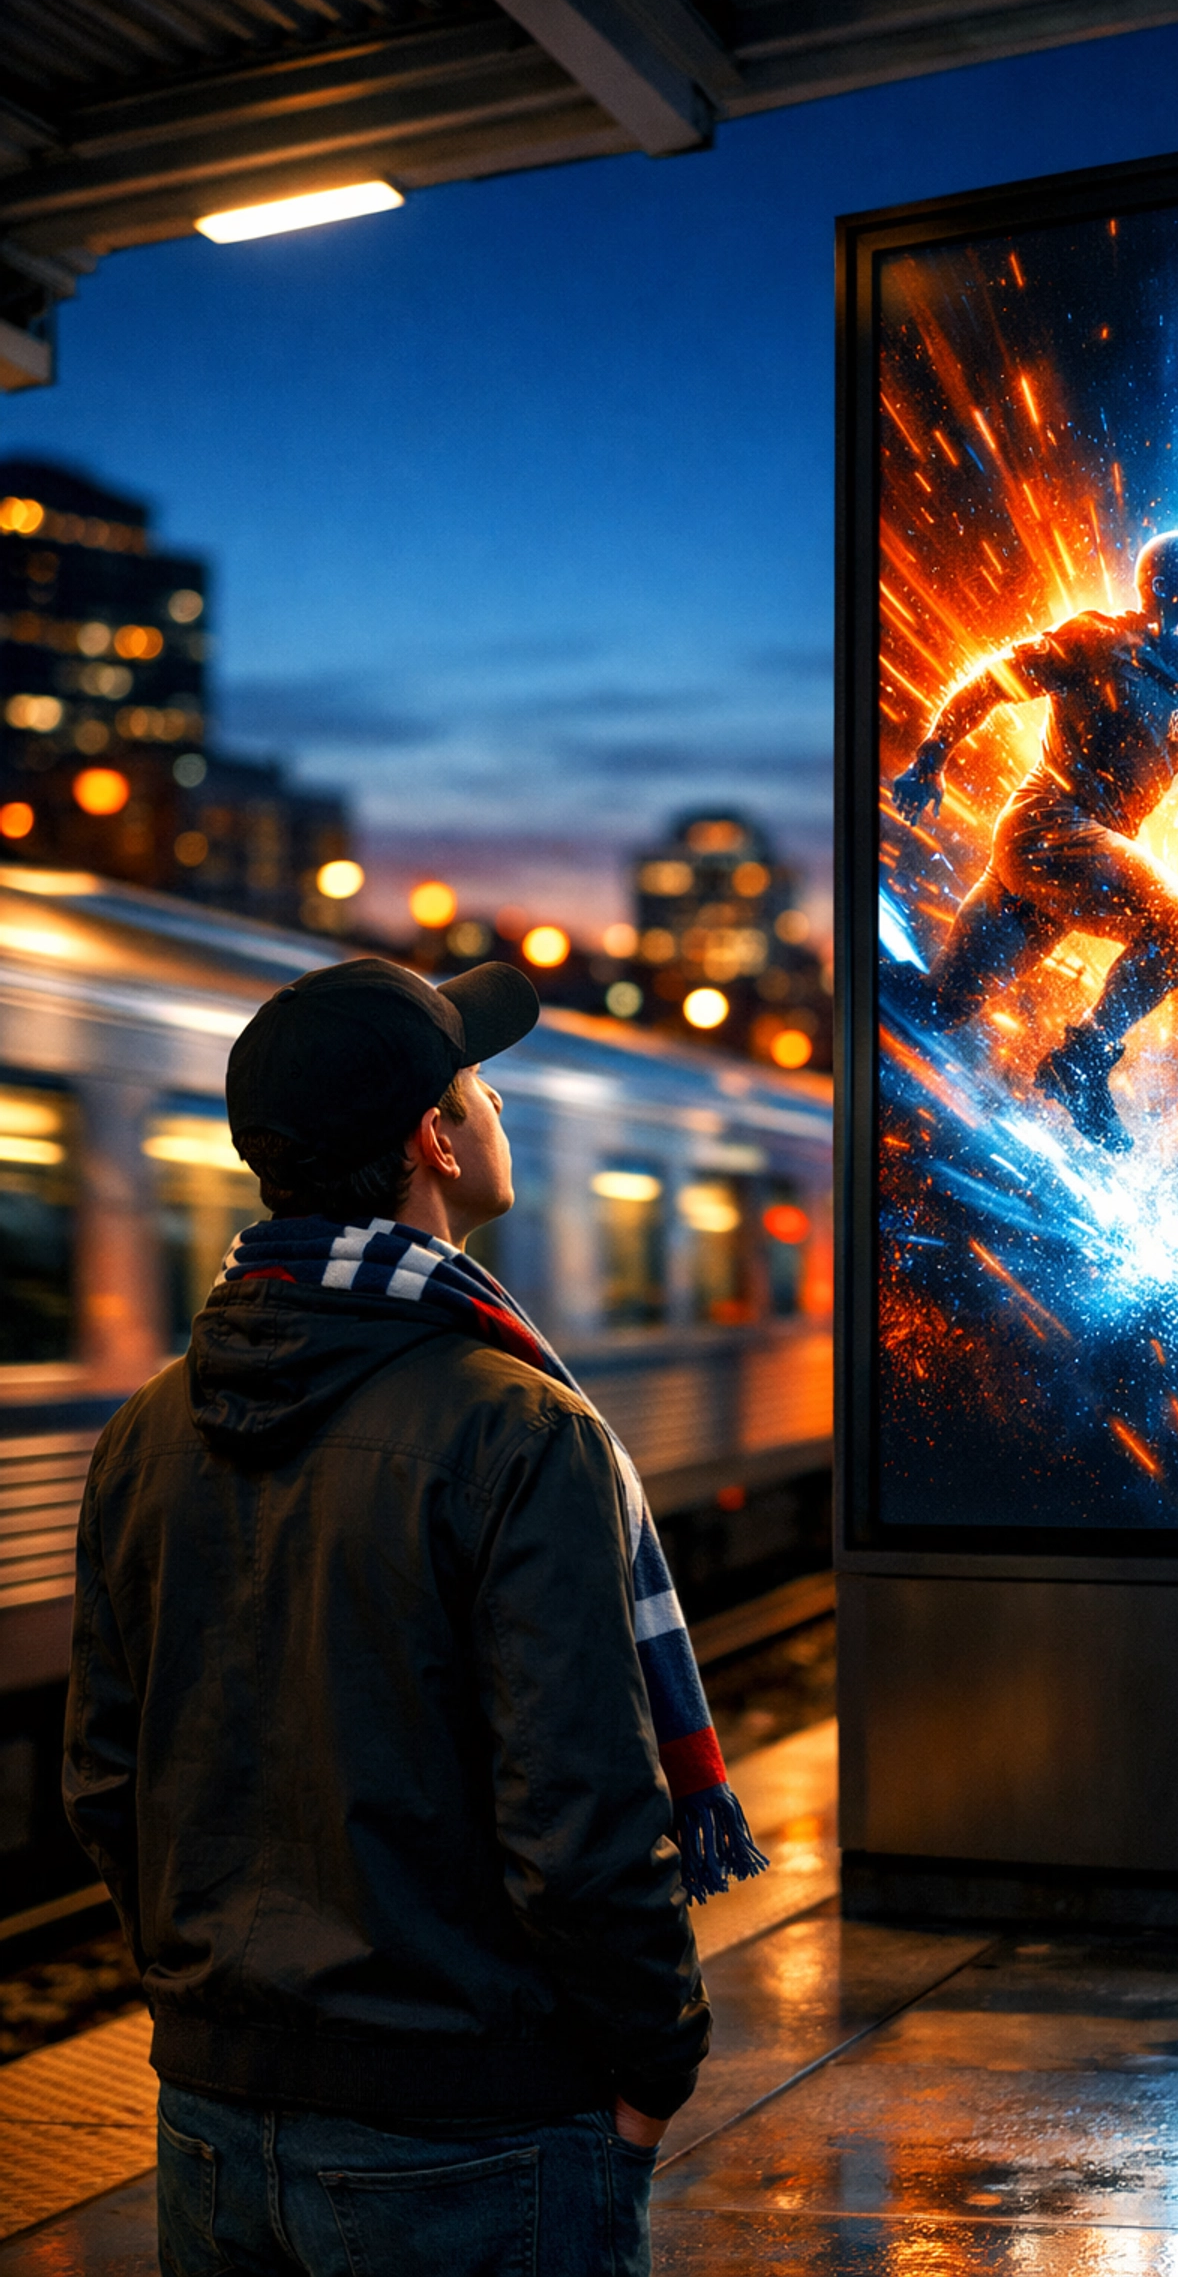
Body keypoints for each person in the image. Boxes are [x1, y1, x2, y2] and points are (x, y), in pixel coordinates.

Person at [63, 956, 762, 2277]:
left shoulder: (144, 1432)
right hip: (470, 2133)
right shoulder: (519, 1425)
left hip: (211, 2122)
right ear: (433, 1142)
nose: (498, 1111)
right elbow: (578, 1816)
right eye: (479, 1087)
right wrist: (655, 2062)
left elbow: (108, 1782)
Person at [890, 530, 1178, 1152]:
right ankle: (1083, 1059)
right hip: (1045, 827)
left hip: (1076, 860)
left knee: (939, 1005)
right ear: (1164, 585)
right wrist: (930, 757)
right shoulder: (1098, 641)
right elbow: (994, 681)